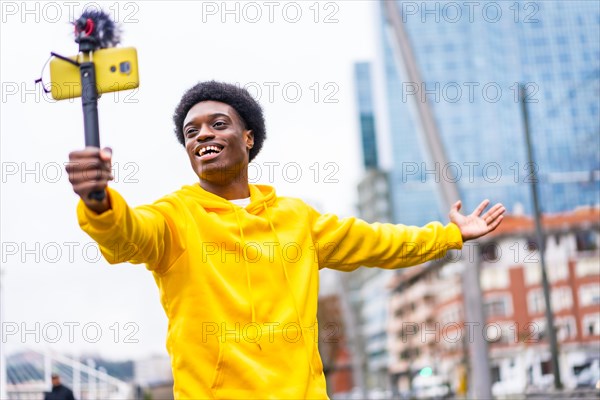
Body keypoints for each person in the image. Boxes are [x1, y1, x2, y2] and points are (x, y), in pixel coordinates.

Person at [66, 81, 505, 399]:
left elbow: (377, 241)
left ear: (248, 138)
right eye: (191, 131)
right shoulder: (173, 218)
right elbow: (126, 236)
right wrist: (99, 202)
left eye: (218, 123)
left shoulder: (297, 218)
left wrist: (449, 235)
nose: (202, 134)